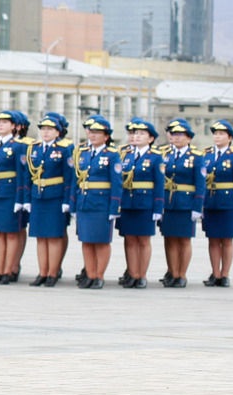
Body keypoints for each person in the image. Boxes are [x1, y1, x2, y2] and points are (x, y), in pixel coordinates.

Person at [73, 116, 121, 289]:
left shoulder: (112, 155)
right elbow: (76, 179)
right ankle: (90, 274)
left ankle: (99, 275)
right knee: (86, 240)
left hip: (101, 203)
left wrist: (114, 207)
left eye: (97, 133)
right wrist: (74, 204)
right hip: (84, 201)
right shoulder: (83, 153)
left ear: (106, 136)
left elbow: (117, 183)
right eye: (91, 132)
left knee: (101, 241)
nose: (92, 135)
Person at [26, 113, 74, 286]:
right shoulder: (34, 148)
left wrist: (67, 201)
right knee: (40, 236)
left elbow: (69, 177)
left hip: (56, 196)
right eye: (43, 129)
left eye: (50, 129)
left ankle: (53, 273)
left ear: (58, 132)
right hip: (38, 196)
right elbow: (28, 176)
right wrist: (27, 199)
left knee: (53, 236)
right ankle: (42, 272)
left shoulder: (64, 149)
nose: (46, 132)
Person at [116, 119, 164, 289]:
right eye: (135, 133)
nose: (136, 136)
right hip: (127, 202)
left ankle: (142, 275)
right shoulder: (125, 155)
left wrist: (158, 207)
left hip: (145, 203)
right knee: (129, 239)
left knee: (143, 240)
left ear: (150, 139)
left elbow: (159, 184)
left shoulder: (156, 157)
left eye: (142, 134)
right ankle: (132, 273)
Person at [0, 111, 31, 284]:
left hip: (10, 193)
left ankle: (9, 270)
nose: (1, 125)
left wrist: (21, 199)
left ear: (14, 126)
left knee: (11, 234)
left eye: (5, 122)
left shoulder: (18, 146)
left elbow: (22, 174)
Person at [157, 119, 205, 287]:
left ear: (189, 138)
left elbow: (200, 183)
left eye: (180, 135)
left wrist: (197, 206)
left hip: (186, 203)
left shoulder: (196, 157)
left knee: (184, 239)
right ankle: (173, 272)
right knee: (169, 238)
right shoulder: (164, 154)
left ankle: (182, 274)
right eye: (174, 134)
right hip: (168, 202)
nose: (176, 138)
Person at [200, 119, 233, 286]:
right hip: (210, 202)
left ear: (229, 137)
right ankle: (215, 273)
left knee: (226, 240)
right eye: (215, 134)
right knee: (212, 239)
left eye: (221, 134)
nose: (217, 137)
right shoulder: (206, 156)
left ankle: (225, 274)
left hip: (228, 203)